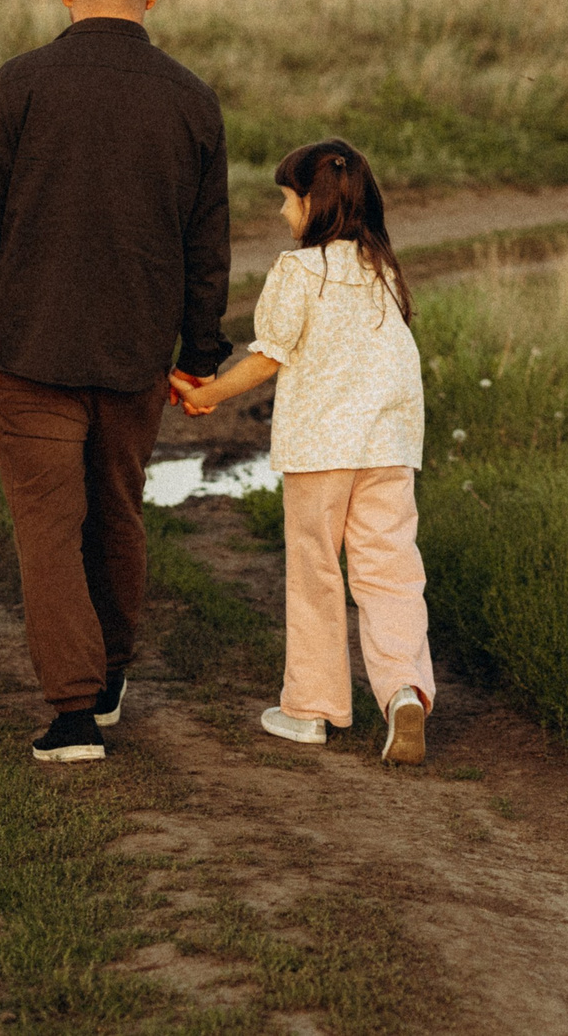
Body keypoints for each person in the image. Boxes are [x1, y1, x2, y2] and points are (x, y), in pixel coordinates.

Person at [0, 0, 231, 763]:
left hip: (33, 349)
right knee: (117, 510)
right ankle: (110, 672)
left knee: (49, 526)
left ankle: (75, 711)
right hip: (134, 353)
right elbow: (208, 246)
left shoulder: (21, 84)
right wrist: (199, 354)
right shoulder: (192, 98)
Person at [177, 138, 433, 764]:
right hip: (391, 446)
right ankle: (403, 690)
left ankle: (312, 708)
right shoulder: (384, 270)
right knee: (389, 569)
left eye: (288, 201)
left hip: (321, 448)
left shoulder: (298, 271)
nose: (284, 214)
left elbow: (268, 355)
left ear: (315, 205)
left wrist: (209, 393)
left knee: (316, 571)